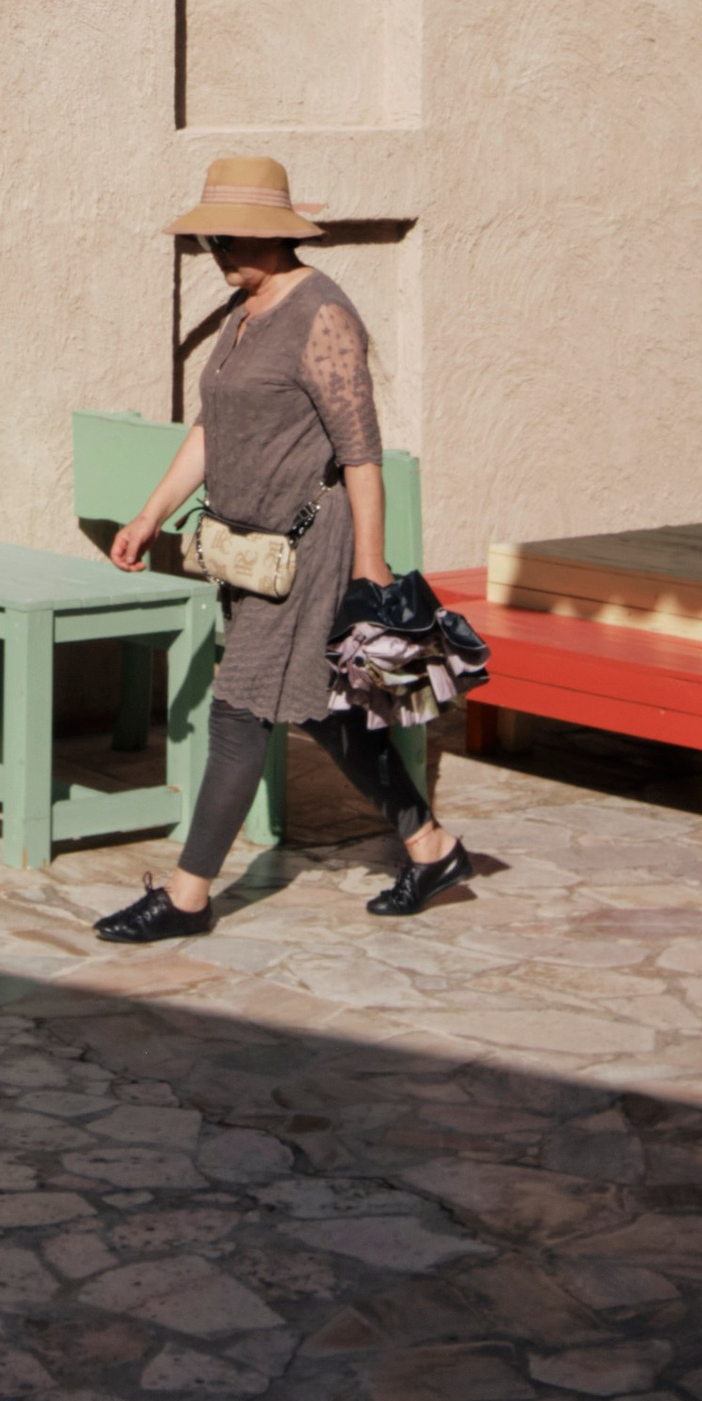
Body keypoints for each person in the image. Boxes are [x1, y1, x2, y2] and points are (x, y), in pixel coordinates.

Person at [94, 157, 468, 942]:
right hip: (248, 553)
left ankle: (188, 898)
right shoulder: (244, 311)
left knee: (239, 712)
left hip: (311, 551)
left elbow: (361, 452)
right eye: (209, 240)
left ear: (276, 235)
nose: (219, 252)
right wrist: (148, 513)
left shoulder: (323, 314)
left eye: (233, 238)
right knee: (330, 714)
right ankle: (431, 848)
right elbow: (211, 430)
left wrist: (370, 564)